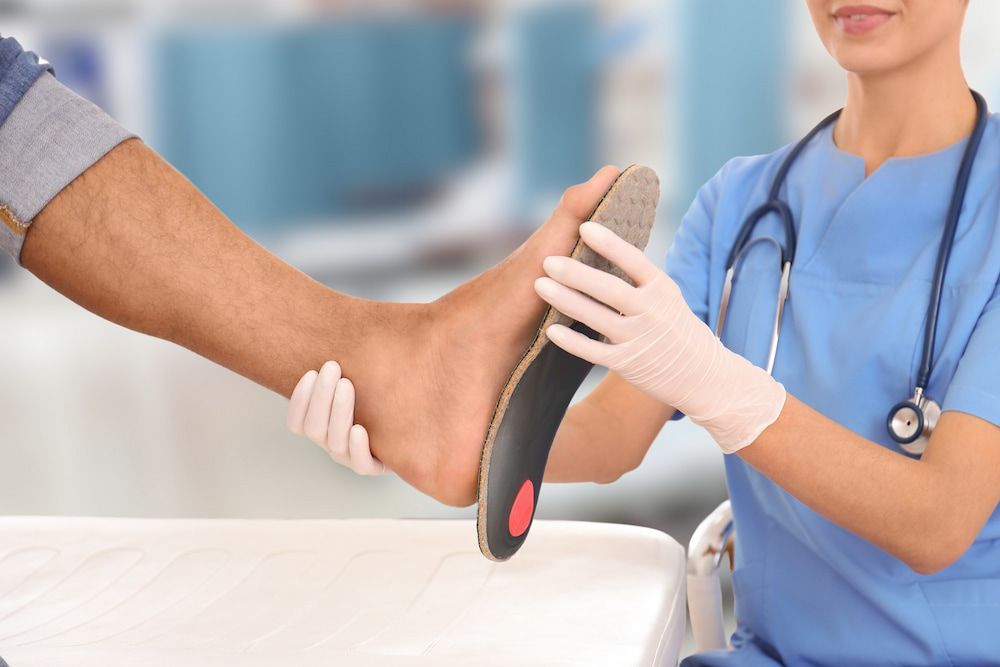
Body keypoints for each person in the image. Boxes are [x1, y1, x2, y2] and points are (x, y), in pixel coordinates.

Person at [299, 1, 1000, 663]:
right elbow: (613, 435)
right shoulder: (741, 202)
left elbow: (938, 521)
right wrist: (445, 438)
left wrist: (722, 389)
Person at [0, 32, 624, 508]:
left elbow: (624, 436)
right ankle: (399, 367)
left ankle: (401, 365)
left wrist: (721, 393)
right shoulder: (717, 222)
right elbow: (609, 435)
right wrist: (493, 443)